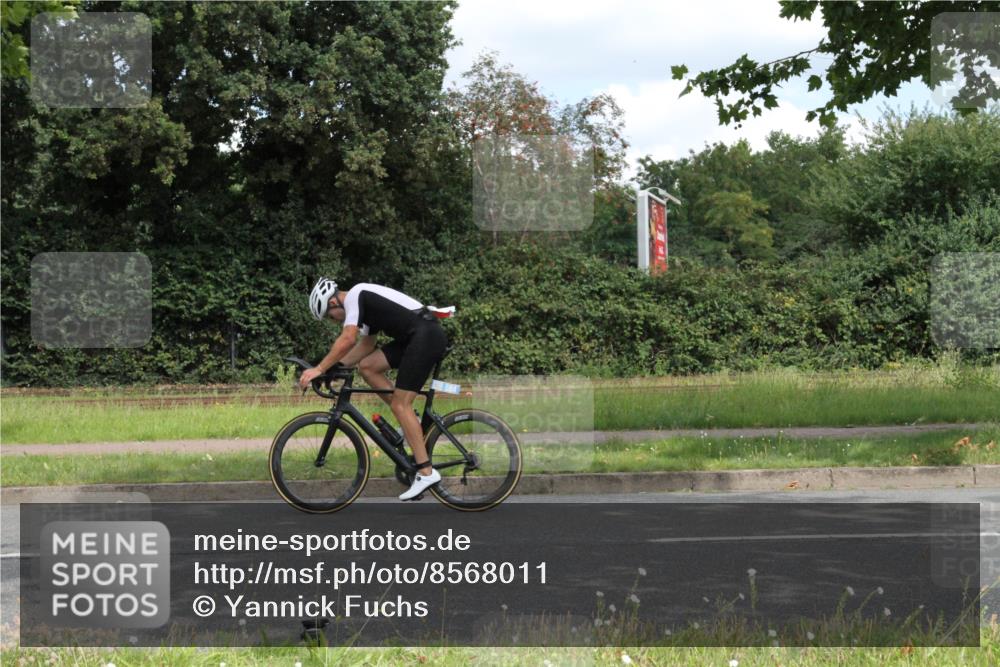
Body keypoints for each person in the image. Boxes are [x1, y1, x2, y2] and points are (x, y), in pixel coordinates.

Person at [299, 277, 449, 500]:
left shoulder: (356, 295)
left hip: (425, 336)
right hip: (416, 337)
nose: (334, 321)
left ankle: (426, 472)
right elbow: (366, 346)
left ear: (333, 303)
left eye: (330, 317)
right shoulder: (364, 306)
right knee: (368, 367)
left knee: (400, 405)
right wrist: (334, 369)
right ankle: (412, 420)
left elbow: (348, 338)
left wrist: (320, 368)